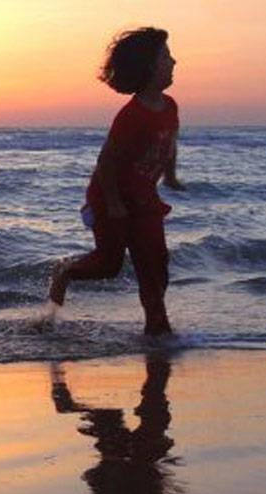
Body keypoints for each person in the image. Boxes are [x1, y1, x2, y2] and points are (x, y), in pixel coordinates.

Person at [49, 27, 185, 336]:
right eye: (166, 56)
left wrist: (171, 175)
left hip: (145, 200)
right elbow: (106, 163)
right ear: (149, 67)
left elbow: (169, 141)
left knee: (156, 264)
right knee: (109, 265)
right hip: (112, 199)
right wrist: (112, 204)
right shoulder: (131, 115)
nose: (174, 62)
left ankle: (157, 331)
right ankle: (65, 272)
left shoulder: (171, 106)